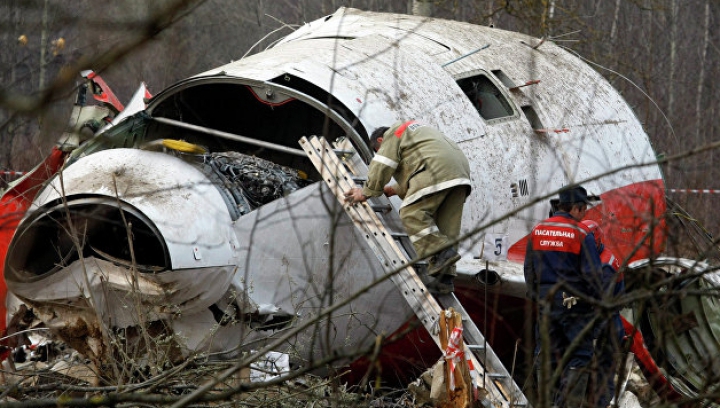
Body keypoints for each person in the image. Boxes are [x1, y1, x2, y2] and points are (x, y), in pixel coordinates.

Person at [344, 121, 471, 293]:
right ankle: (444, 279)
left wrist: (366, 192)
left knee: (411, 213)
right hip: (459, 175)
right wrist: (393, 189)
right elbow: (415, 170)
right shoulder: (418, 133)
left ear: (380, 141)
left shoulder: (394, 133)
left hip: (436, 169)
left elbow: (384, 163)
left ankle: (440, 251)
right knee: (445, 227)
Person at [523, 185, 605, 407]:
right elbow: (594, 277)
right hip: (574, 306)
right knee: (580, 356)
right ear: (577, 209)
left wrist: (537, 296)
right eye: (584, 210)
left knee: (547, 354)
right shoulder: (581, 234)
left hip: (545, 303)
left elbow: (529, 270)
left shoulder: (538, 231)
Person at [582, 219, 626, 408]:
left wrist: (590, 333)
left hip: (607, 325)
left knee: (603, 372)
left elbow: (602, 305)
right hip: (608, 322)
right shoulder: (601, 258)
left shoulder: (605, 267)